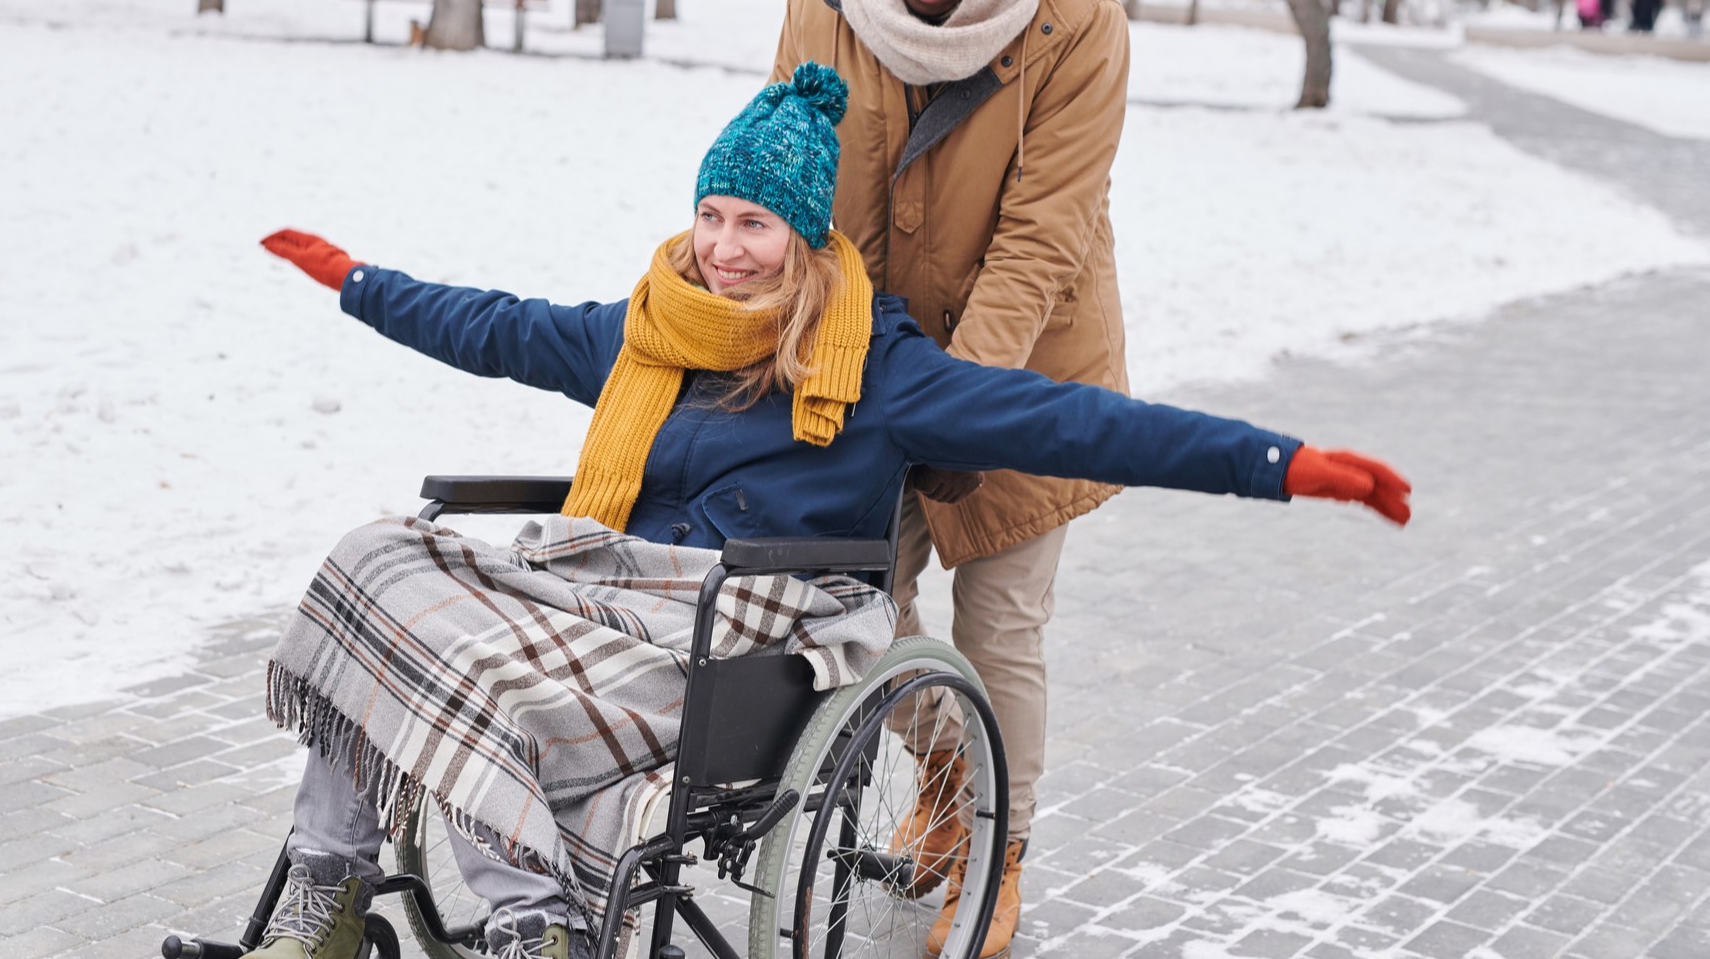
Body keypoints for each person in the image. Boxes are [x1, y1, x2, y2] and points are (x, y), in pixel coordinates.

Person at [246, 65, 1411, 959]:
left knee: (475, 679)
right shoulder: (650, 328)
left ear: (806, 240)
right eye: (712, 216)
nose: (724, 250)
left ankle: (535, 923)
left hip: (752, 631)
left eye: (754, 225)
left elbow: (1071, 422)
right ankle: (327, 889)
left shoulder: (879, 367)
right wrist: (355, 280)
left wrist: (1279, 461)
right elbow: (495, 325)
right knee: (378, 565)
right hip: (606, 588)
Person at [768, 0, 1141, 951]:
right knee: (856, 598)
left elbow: (1041, 240)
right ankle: (946, 774)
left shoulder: (1082, 32)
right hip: (866, 350)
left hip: (1028, 367)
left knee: (1003, 619)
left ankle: (1001, 844)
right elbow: (794, 186)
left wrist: (959, 400)